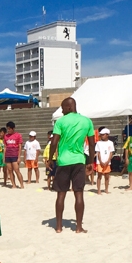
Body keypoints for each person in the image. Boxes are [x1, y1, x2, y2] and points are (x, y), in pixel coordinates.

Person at [47, 97, 95, 234]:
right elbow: (92, 144)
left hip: (63, 161)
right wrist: (90, 162)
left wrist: (51, 158)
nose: (61, 111)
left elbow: (54, 142)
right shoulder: (87, 121)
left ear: (69, 107)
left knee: (61, 194)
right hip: (79, 160)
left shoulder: (61, 121)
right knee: (78, 193)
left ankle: (59, 227)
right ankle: (78, 227)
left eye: (62, 108)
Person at [4, 121, 24, 189]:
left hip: (15, 155)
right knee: (10, 170)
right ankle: (13, 185)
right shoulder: (6, 136)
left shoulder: (18, 135)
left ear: (13, 128)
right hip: (8, 155)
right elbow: (5, 147)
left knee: (17, 170)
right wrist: (4, 157)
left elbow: (20, 146)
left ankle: (21, 184)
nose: (8, 130)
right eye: (7, 129)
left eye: (9, 129)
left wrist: (19, 157)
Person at [95, 128, 115, 194]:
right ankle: (98, 190)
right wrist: (100, 161)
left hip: (107, 162)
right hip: (100, 162)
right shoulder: (98, 143)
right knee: (99, 176)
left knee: (107, 176)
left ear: (107, 135)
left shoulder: (111, 143)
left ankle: (106, 189)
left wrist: (107, 161)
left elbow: (111, 153)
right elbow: (98, 153)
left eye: (103, 135)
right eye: (101, 135)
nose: (102, 136)